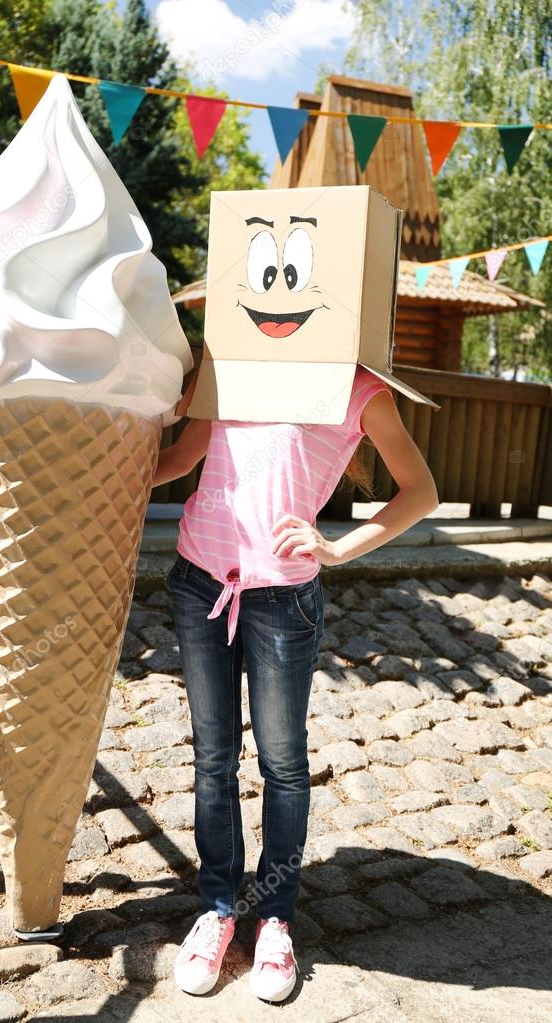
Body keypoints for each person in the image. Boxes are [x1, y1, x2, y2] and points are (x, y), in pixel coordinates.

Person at [153, 363, 439, 1003]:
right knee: (213, 759)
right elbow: (180, 459)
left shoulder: (359, 387)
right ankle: (219, 908)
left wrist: (337, 548)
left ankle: (274, 918)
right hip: (199, 580)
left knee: (282, 763)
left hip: (283, 603)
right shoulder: (231, 359)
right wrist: (95, 466)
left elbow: (421, 491)